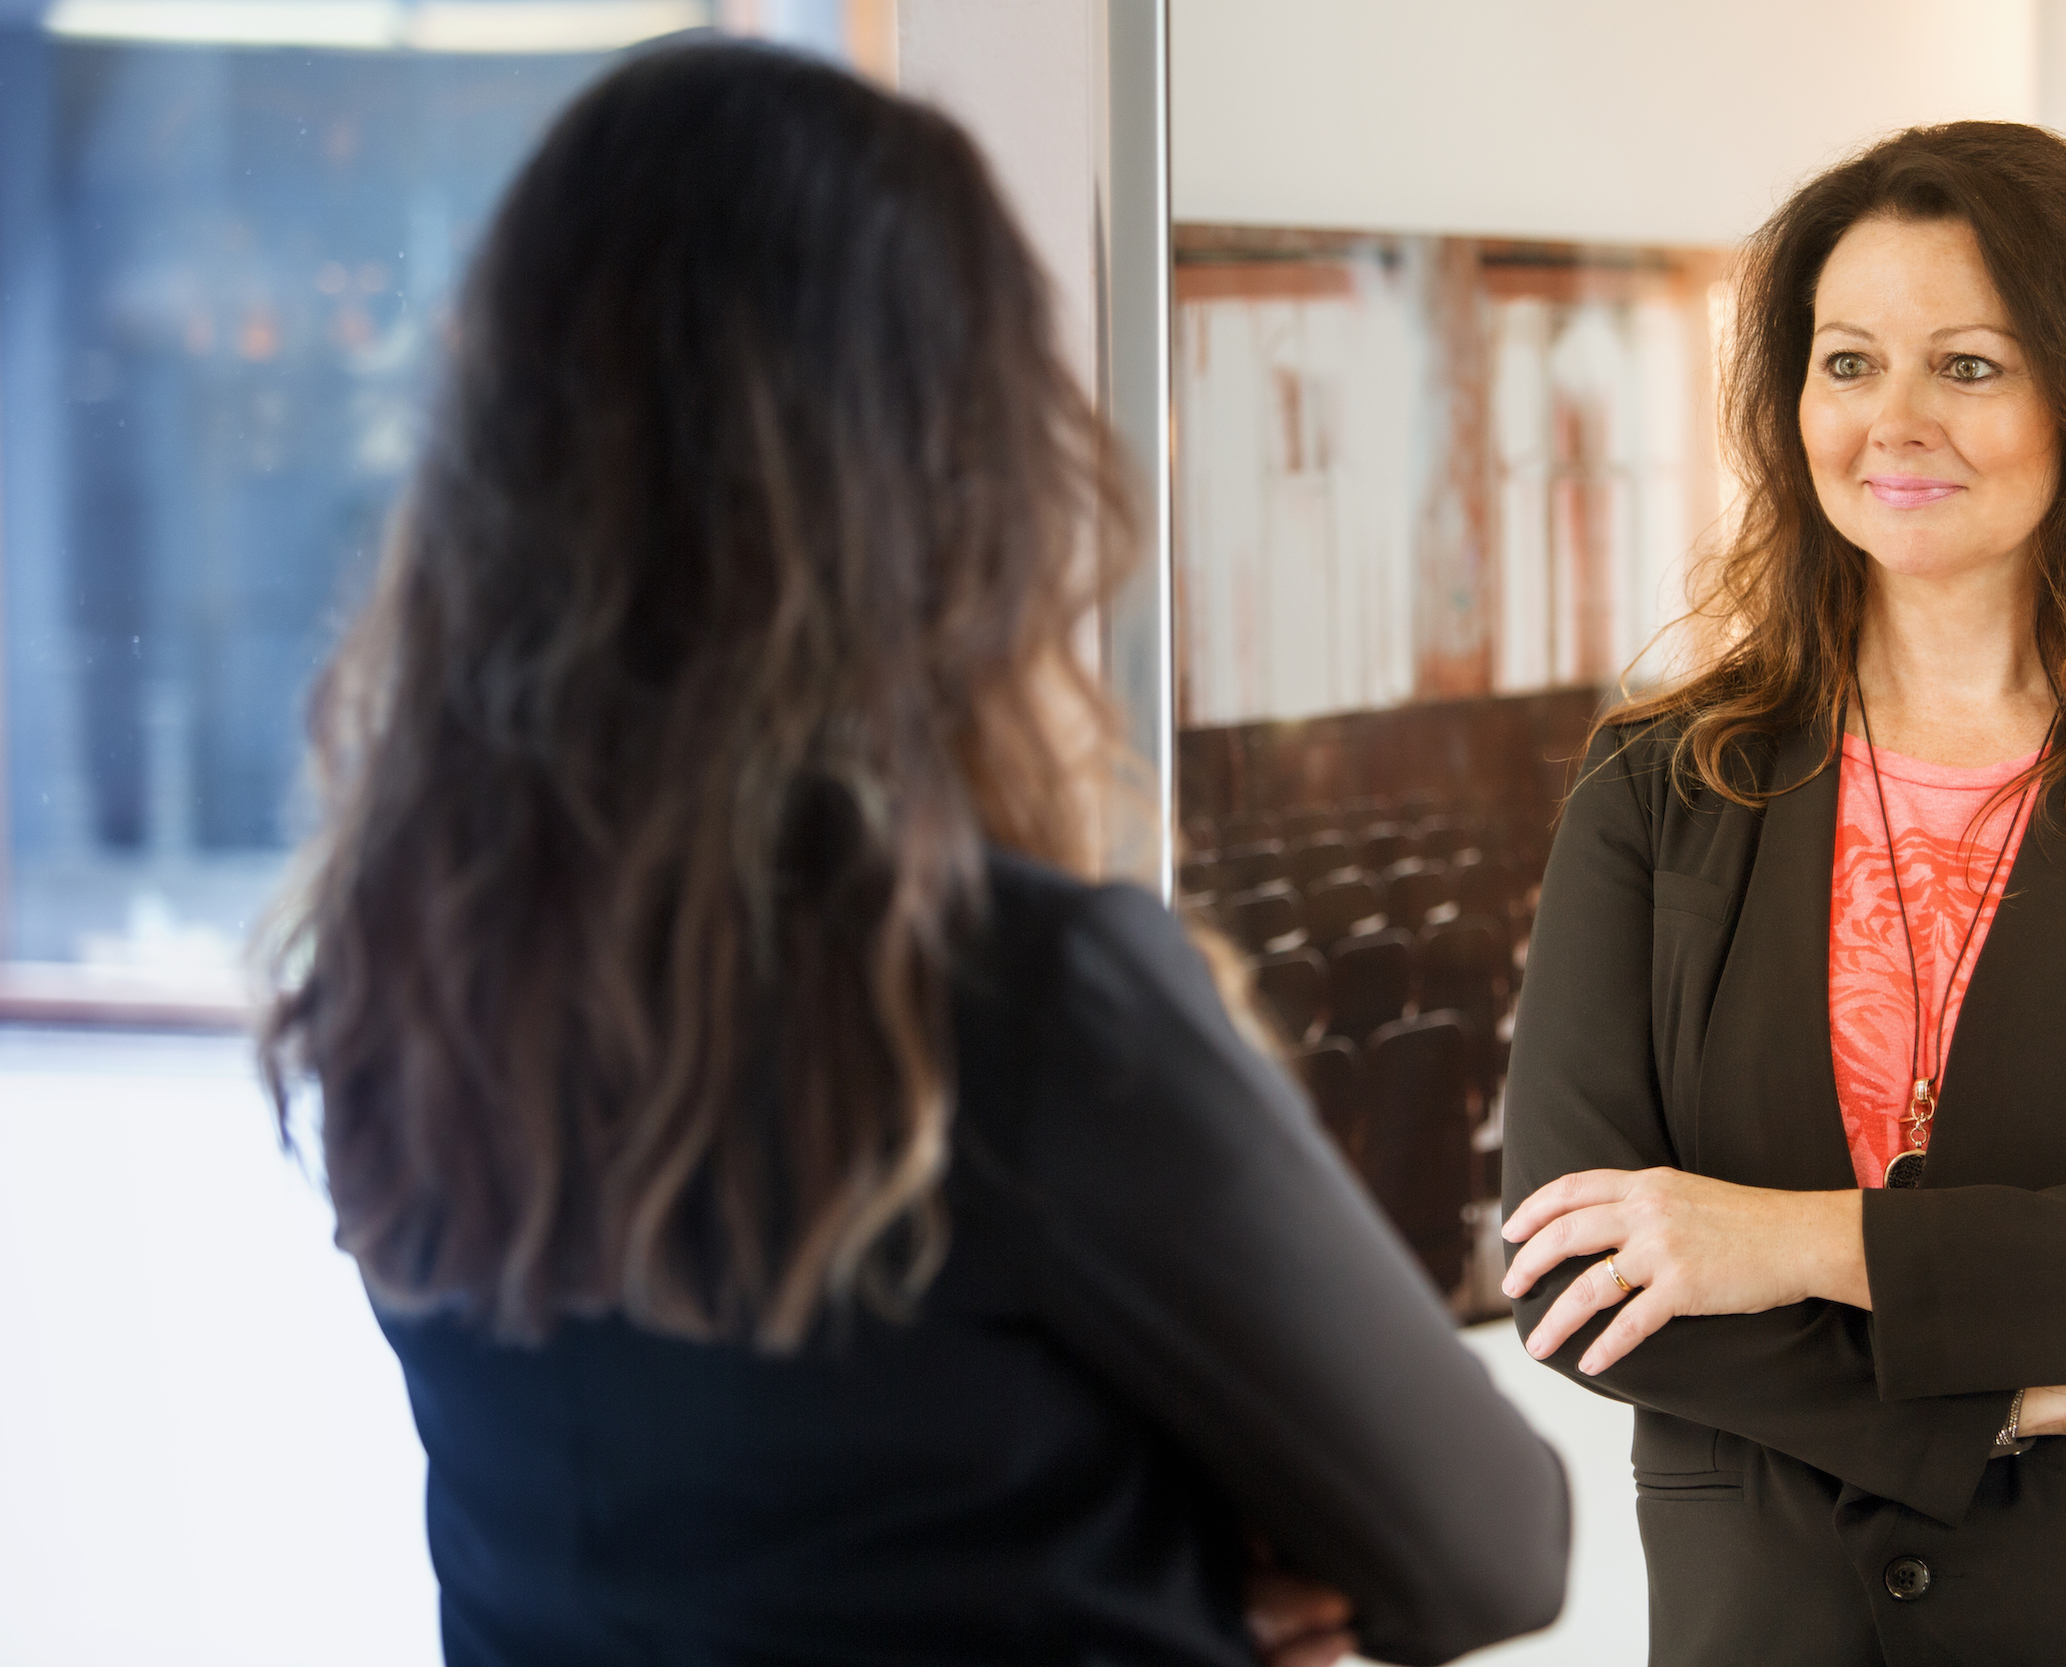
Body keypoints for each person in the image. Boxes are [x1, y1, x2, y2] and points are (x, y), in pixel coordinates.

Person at [259, 39, 1567, 1667]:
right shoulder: (1018, 996)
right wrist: (1176, 1585)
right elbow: (1495, 1547)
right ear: (949, 475)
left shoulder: (409, 968)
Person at [1496, 121, 2066, 1665]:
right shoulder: (1660, 789)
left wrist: (1787, 1244)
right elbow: (1572, 1270)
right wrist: (2007, 1400)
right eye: (1849, 363)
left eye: (1972, 366)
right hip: (1772, 1627)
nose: (1893, 423)